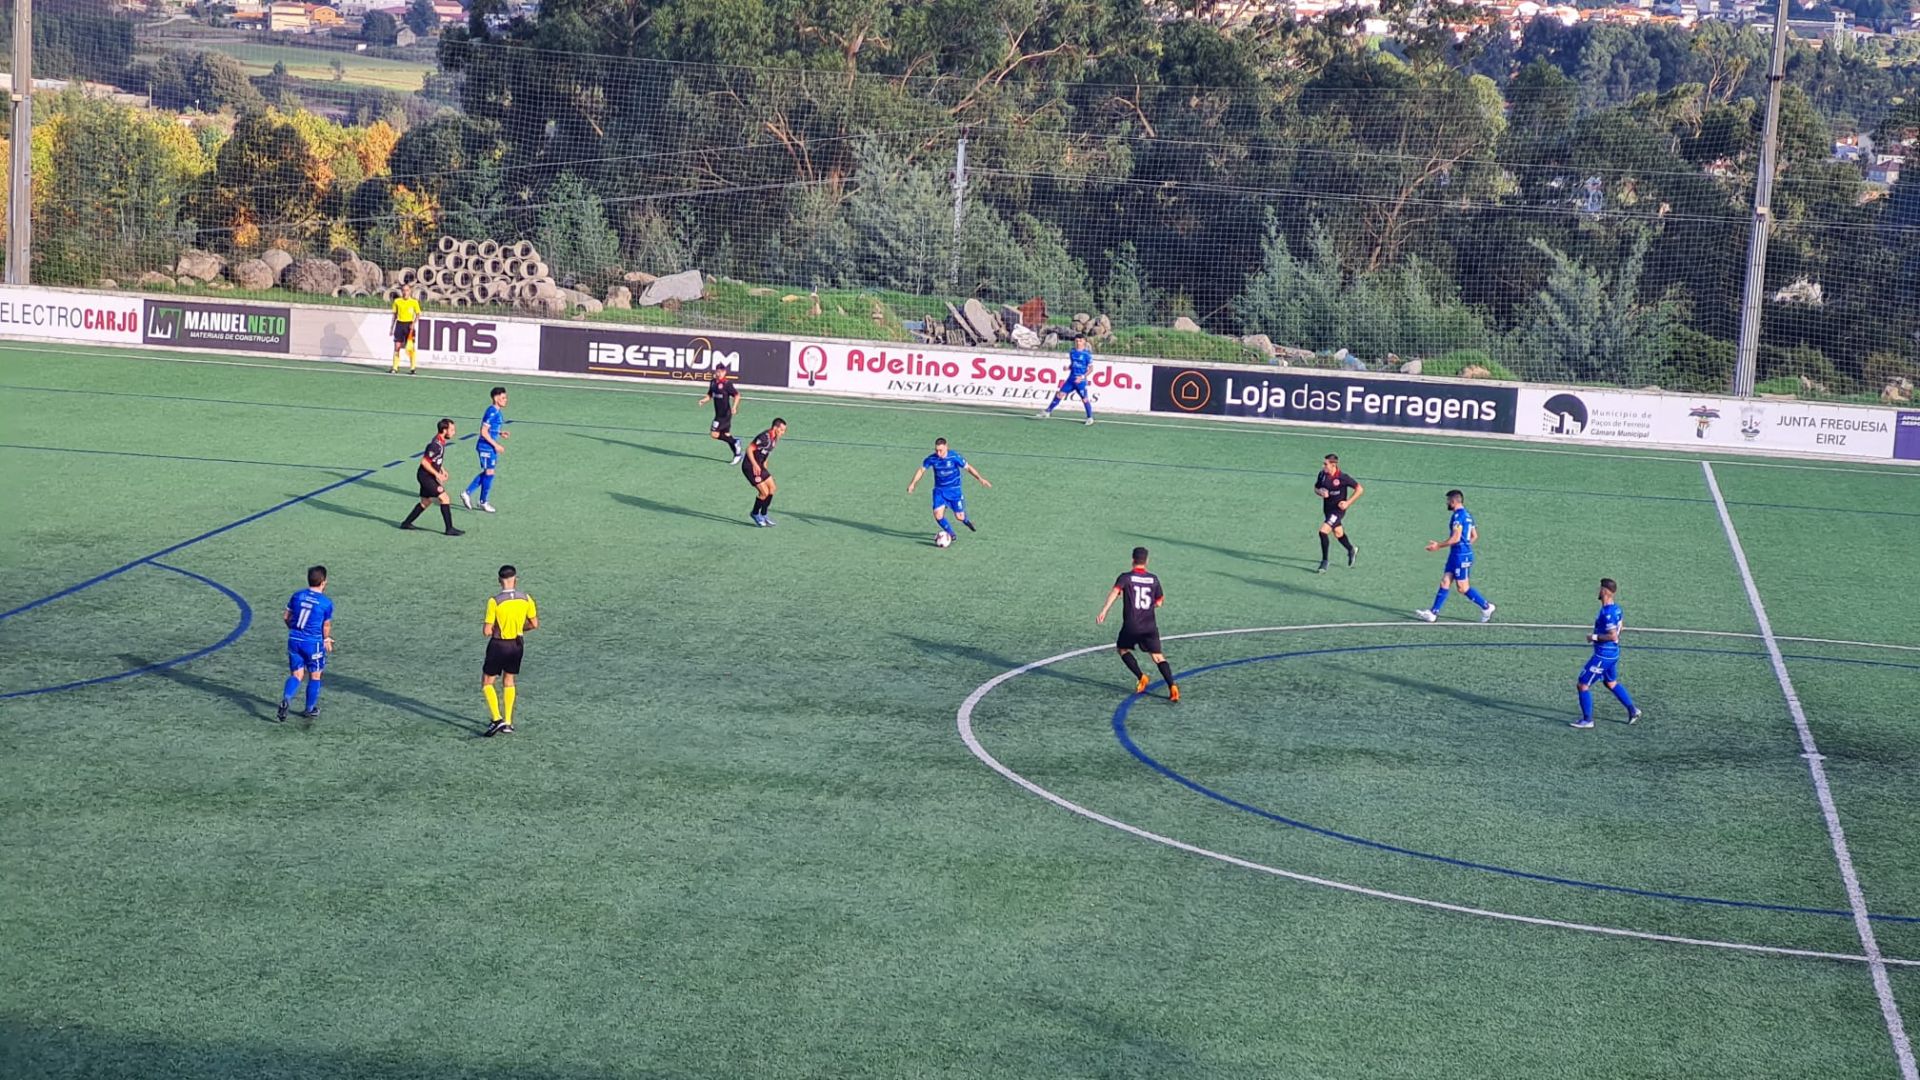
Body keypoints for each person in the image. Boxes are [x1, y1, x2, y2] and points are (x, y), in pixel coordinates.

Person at [1096, 546, 1180, 702]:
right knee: (1158, 657)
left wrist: (1104, 611)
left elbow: (1115, 592)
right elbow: (1159, 602)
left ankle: (1141, 677)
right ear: (1146, 561)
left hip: (1132, 625)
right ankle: (1173, 686)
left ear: (1132, 560)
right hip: (1149, 626)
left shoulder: (1126, 578)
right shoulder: (1153, 579)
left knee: (1122, 649)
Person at [1573, 578, 1643, 729]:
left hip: (1603, 655)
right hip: (1613, 653)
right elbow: (1621, 628)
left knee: (1582, 685)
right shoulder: (1617, 609)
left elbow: (1613, 635)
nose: (1598, 591)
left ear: (1605, 591)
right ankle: (1633, 710)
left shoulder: (1607, 613)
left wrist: (1594, 637)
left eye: (1600, 588)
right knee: (1610, 682)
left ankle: (1587, 720)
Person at [1416, 489, 1492, 623]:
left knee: (1463, 588)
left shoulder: (1458, 517)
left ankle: (1487, 607)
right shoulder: (1468, 515)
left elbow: (1456, 538)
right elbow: (1474, 536)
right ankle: (1433, 613)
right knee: (1445, 581)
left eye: (1448, 501)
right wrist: (1465, 546)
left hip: (1460, 557)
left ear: (1453, 501)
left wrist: (1438, 546)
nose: (1447, 503)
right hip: (1457, 554)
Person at [482, 564, 539, 736]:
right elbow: (534, 624)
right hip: (517, 644)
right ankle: (508, 722)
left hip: (499, 645)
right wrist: (519, 628)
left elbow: (487, 631)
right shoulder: (526, 599)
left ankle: (497, 719)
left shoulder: (495, 601)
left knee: (487, 682)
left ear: (499, 580)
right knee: (509, 680)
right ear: (516, 579)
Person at [906, 438, 991, 544]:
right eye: (936, 450)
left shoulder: (954, 457)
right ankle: (951, 534)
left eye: (941, 450)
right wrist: (913, 483)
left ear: (946, 447)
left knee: (959, 517)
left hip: (954, 491)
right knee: (938, 515)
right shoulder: (932, 459)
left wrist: (980, 479)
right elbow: (921, 470)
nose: (938, 453)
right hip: (939, 491)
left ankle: (966, 521)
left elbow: (968, 468)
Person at [277, 565, 334, 723]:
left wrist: (294, 631)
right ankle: (309, 709)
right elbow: (326, 625)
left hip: (294, 640)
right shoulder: (325, 603)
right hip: (313, 643)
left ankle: (286, 698)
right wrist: (326, 639)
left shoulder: (297, 595)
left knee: (296, 675)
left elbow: (286, 617)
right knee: (315, 675)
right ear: (323, 582)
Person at [401, 418, 465, 536]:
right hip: (426, 477)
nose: (454, 432)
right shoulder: (435, 445)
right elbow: (424, 462)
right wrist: (437, 474)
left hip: (426, 475)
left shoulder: (440, 441)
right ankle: (449, 529)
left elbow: (435, 459)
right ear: (444, 430)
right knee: (445, 498)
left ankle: (406, 523)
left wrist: (442, 469)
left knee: (426, 501)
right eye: (452, 430)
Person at [462, 387, 509, 513]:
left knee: (489, 473)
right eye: (503, 398)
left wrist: (499, 432)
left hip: (489, 446)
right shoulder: (492, 412)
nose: (506, 400)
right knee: (489, 473)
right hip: (486, 446)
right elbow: (483, 432)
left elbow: (490, 429)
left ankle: (479, 499)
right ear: (496, 398)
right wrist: (496, 445)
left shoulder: (497, 412)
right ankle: (475, 497)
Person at [1313, 453, 1362, 572]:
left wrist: (1348, 503)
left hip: (1338, 511)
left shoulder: (1342, 477)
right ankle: (1351, 549)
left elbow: (1359, 489)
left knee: (1323, 531)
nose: (1323, 466)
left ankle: (1324, 561)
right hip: (1327, 509)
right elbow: (1315, 488)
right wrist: (1320, 492)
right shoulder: (1322, 474)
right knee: (1338, 532)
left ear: (1333, 465)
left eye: (1325, 464)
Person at [1038, 335, 1097, 425]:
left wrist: (1082, 377)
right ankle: (1047, 412)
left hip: (1080, 381)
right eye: (1076, 341)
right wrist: (1068, 368)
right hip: (1071, 379)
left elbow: (1091, 369)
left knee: (1084, 399)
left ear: (1084, 342)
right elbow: (1073, 364)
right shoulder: (1072, 352)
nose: (1078, 343)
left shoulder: (1087, 354)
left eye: (1080, 341)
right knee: (1059, 394)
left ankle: (1090, 418)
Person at [744, 418, 787, 527]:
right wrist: (755, 464)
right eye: (782, 430)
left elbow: (768, 451)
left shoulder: (775, 438)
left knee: (772, 488)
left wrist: (765, 464)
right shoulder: (764, 437)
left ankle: (764, 514)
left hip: (760, 466)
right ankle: (755, 513)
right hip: (750, 467)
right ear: (775, 427)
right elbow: (749, 449)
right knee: (764, 493)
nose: (783, 432)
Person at [698, 363, 745, 464]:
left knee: (714, 434)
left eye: (721, 372)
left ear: (724, 372)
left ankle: (735, 442)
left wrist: (734, 407)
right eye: (717, 372)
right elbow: (710, 394)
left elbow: (737, 395)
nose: (719, 374)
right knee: (726, 435)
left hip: (725, 415)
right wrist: (704, 400)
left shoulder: (727, 384)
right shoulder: (713, 382)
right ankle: (737, 454)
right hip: (718, 414)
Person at [389, 284, 421, 375]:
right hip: (399, 325)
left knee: (410, 348)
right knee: (397, 347)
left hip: (409, 325)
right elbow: (394, 315)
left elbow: (418, 314)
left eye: (407, 290)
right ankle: (395, 367)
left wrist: (413, 324)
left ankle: (413, 368)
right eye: (403, 290)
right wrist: (392, 327)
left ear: (410, 291)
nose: (405, 292)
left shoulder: (414, 302)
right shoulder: (397, 301)